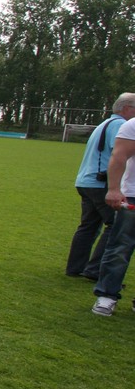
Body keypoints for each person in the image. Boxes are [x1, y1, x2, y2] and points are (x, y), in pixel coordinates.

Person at [67, 94, 135, 280]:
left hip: (85, 181)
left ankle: (75, 268)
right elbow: (119, 154)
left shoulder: (104, 124)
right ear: (126, 108)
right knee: (115, 225)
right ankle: (96, 270)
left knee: (88, 226)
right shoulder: (120, 126)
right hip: (101, 184)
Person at [90, 112, 135, 316]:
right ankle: (107, 295)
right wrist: (114, 189)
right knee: (120, 247)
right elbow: (119, 155)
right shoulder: (132, 125)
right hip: (132, 195)